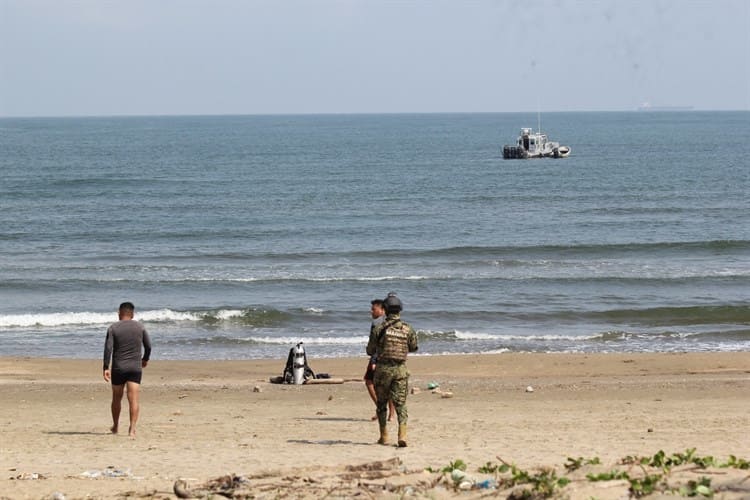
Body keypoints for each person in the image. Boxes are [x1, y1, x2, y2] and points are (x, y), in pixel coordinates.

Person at [366, 292, 418, 447]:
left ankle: (384, 436)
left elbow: (370, 350)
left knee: (381, 404)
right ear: (400, 310)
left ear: (386, 310)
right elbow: (414, 347)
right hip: (400, 370)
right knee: (401, 404)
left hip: (382, 370)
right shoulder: (408, 329)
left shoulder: (379, 328)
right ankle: (402, 435)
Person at [103, 302, 151, 438]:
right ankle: (132, 429)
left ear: (119, 313)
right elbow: (148, 346)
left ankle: (116, 426)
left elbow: (108, 349)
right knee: (134, 399)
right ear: (132, 314)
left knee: (116, 399)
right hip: (135, 368)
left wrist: (106, 367)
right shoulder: (140, 327)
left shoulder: (113, 328)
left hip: (118, 368)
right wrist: (145, 359)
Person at [364, 299, 396, 421]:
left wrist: (373, 360)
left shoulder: (378, 324)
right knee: (388, 385)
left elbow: (375, 345)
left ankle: (382, 409)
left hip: (380, 357)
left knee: (369, 381)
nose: (371, 311)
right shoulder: (391, 322)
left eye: (374, 309)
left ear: (382, 310)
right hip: (391, 357)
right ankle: (389, 413)